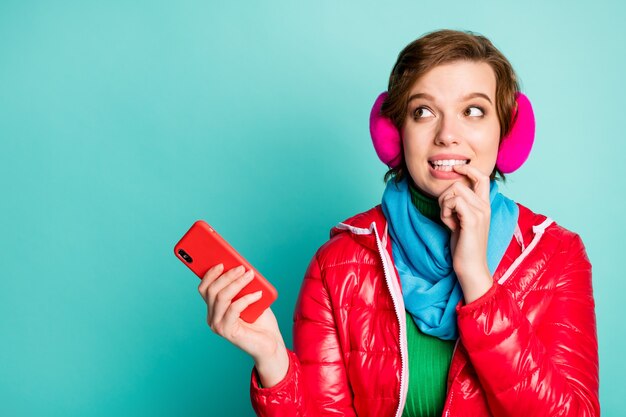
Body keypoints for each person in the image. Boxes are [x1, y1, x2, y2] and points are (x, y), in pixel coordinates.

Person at [197, 29, 600, 417]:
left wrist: (476, 278)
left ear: (508, 132)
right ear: (394, 134)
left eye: (473, 111)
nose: (447, 135)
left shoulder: (555, 254)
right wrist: (273, 362)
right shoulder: (336, 265)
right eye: (423, 112)